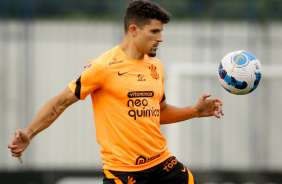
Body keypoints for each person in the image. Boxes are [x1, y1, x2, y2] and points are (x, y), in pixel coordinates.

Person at [8, 0, 224, 183]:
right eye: (154, 31)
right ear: (133, 29)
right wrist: (30, 133)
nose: (160, 38)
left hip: (162, 164)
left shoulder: (155, 66)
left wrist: (194, 111)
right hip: (124, 172)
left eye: (161, 32)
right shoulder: (103, 67)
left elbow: (159, 112)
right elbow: (60, 102)